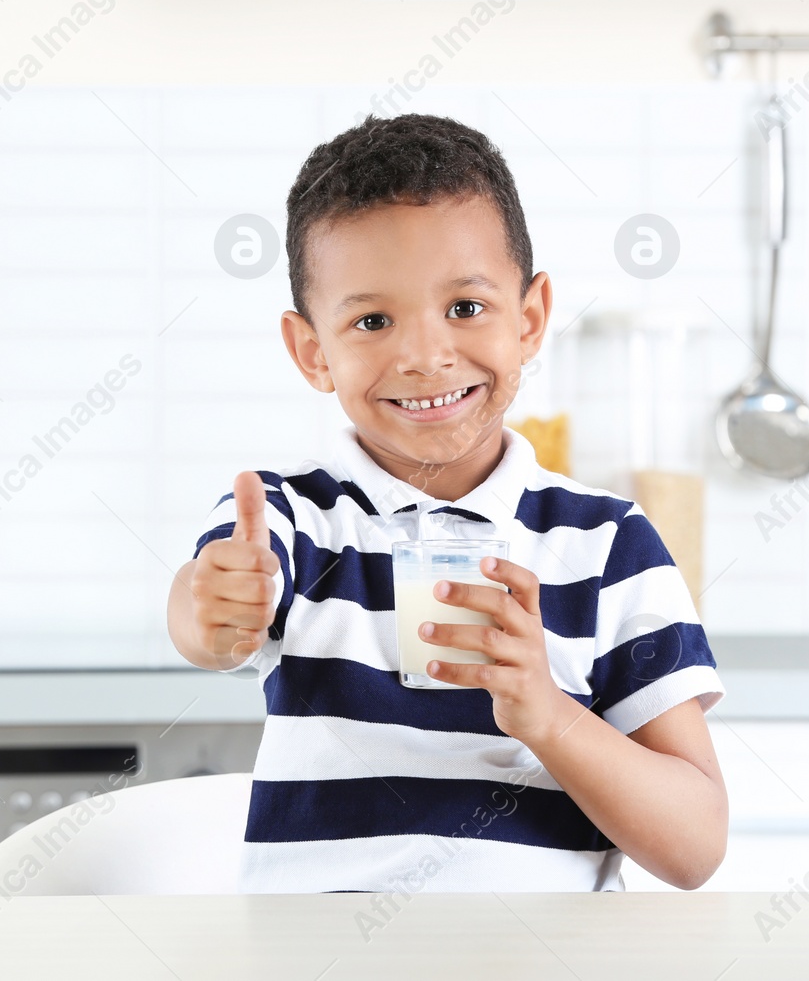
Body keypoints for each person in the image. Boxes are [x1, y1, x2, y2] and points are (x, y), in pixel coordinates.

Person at [167, 113, 728, 893]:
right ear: (311, 351)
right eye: (372, 320)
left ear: (528, 320)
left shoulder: (608, 546)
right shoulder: (292, 520)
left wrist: (546, 712)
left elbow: (694, 844)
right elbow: (208, 620)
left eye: (466, 308)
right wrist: (217, 606)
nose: (426, 356)